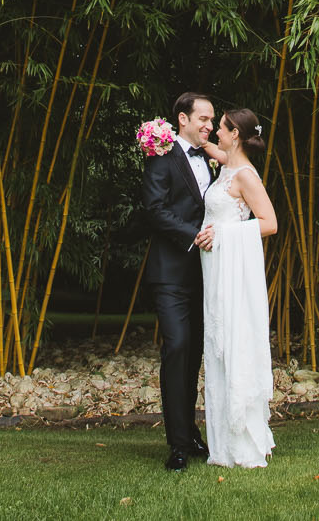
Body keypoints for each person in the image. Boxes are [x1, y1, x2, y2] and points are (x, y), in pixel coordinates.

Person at [194, 106, 276, 469]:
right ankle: (221, 446)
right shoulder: (226, 161)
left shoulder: (245, 175)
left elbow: (269, 223)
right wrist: (167, 136)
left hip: (231, 272)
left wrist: (223, 234)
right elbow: (204, 146)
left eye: (221, 128)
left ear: (235, 135)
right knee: (217, 346)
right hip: (214, 270)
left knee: (233, 344)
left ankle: (241, 443)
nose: (215, 132)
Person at [140, 91, 216, 471]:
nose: (210, 126)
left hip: (205, 275)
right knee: (178, 347)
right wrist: (193, 235)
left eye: (212, 120)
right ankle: (178, 445)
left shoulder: (212, 159)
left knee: (194, 356)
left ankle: (191, 433)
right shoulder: (161, 157)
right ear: (182, 119)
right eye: (203, 118)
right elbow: (154, 209)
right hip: (170, 274)